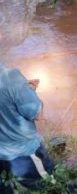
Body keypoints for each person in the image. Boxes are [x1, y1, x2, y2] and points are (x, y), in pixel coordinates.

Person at [0, 62, 54, 193]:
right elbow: (36, 114)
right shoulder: (10, 77)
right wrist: (29, 91)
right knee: (49, 185)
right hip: (22, 154)